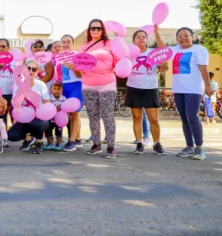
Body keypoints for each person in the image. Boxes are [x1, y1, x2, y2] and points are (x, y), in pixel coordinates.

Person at [169, 27, 213, 160]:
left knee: (192, 116)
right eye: (179, 36)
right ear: (176, 39)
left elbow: (203, 68)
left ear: (192, 37)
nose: (182, 38)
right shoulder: (175, 49)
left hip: (193, 89)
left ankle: (199, 148)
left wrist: (208, 86)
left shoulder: (199, 49)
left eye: (185, 35)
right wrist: (157, 33)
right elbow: (161, 49)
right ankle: (189, 146)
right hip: (178, 89)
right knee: (184, 118)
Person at [125, 26, 168, 155]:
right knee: (137, 118)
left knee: (154, 119)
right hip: (133, 88)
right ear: (134, 41)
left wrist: (164, 66)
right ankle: (139, 144)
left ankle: (157, 144)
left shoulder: (153, 53)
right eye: (138, 37)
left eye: (144, 37)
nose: (141, 39)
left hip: (150, 89)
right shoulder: (128, 53)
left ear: (147, 40)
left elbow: (162, 69)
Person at [79, 19, 119, 159]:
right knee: (93, 117)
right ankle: (96, 144)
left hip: (107, 84)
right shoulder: (84, 46)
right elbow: (80, 66)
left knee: (107, 116)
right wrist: (74, 66)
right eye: (92, 28)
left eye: (98, 28)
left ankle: (111, 146)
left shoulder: (110, 44)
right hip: (88, 85)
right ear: (89, 30)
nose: (95, 30)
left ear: (103, 30)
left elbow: (118, 63)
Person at [7, 60, 51, 154]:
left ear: (37, 71)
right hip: (25, 119)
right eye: (28, 68)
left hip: (40, 119)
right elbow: (16, 105)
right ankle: (29, 138)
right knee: (12, 136)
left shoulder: (40, 85)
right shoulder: (18, 85)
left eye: (34, 69)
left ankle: (39, 142)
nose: (30, 71)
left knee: (37, 124)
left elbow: (47, 103)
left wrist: (42, 115)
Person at [58, 35, 84, 152]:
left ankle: (72, 141)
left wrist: (74, 67)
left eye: (68, 42)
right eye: (63, 42)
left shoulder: (77, 56)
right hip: (65, 86)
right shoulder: (59, 57)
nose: (66, 44)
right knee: (70, 114)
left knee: (75, 114)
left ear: (73, 43)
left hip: (77, 85)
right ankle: (77, 139)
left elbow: (81, 75)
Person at [0, 38, 16, 127]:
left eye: (3, 46)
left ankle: (10, 134)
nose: (1, 48)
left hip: (12, 93)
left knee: (12, 115)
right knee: (0, 116)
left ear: (8, 48)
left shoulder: (15, 61)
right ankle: (1, 137)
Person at [44, 81, 66, 151]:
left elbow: (66, 107)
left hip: (59, 120)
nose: (56, 90)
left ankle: (58, 144)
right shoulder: (49, 98)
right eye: (54, 88)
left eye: (59, 89)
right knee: (48, 131)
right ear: (51, 89)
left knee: (59, 132)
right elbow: (46, 107)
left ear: (62, 90)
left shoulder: (63, 98)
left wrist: (62, 108)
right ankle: (50, 143)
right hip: (50, 119)